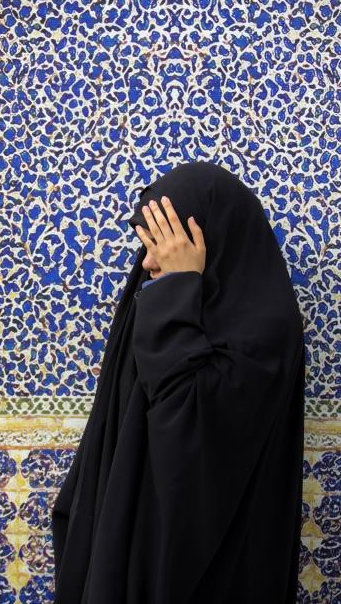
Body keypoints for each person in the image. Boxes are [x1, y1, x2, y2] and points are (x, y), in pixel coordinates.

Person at [51, 161, 306, 604]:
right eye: (146, 245)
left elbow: (189, 432)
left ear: (209, 240)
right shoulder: (156, 301)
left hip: (215, 569)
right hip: (131, 551)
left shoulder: (266, 331)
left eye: (161, 246)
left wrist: (180, 287)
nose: (147, 261)